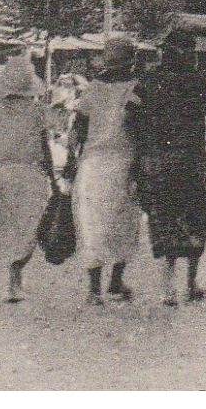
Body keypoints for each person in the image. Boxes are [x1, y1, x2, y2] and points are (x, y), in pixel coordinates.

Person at [130, 37, 206, 306]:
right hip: (192, 157)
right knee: (196, 217)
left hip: (158, 159)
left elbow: (131, 113)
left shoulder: (147, 81)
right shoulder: (198, 81)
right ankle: (191, 283)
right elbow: (205, 107)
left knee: (165, 218)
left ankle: (168, 288)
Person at [0, 54, 56, 302]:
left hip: (4, 175)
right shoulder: (38, 110)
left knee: (6, 225)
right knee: (31, 227)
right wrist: (55, 181)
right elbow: (45, 147)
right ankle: (17, 275)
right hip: (33, 174)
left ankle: (12, 277)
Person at [64, 40, 144, 305]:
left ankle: (94, 288)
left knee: (92, 225)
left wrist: (70, 161)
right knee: (125, 223)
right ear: (131, 63)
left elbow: (77, 130)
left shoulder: (93, 90)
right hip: (125, 162)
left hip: (93, 164)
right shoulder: (136, 89)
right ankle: (116, 280)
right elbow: (140, 129)